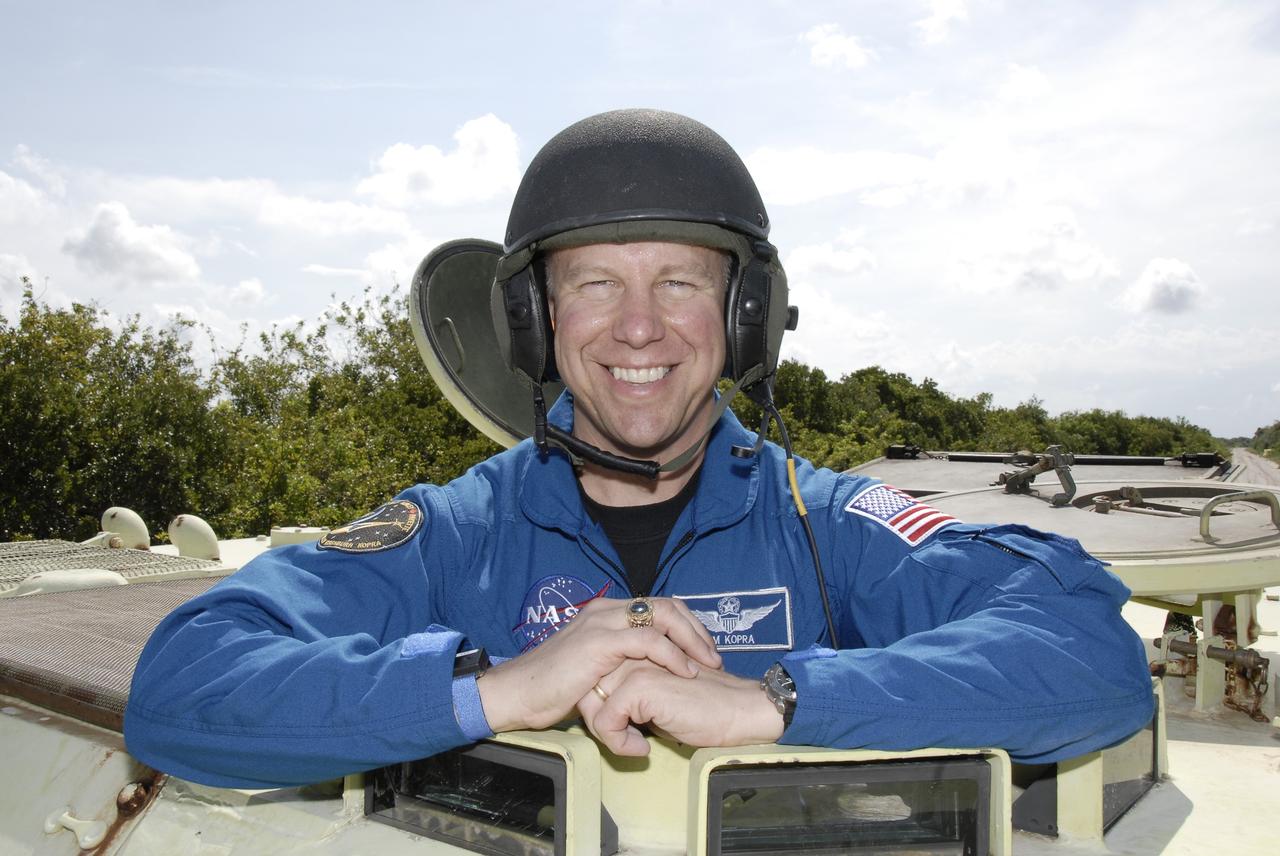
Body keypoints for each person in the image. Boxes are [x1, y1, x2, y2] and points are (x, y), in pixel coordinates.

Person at [124, 109, 1155, 789]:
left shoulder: (824, 522)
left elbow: (1087, 646)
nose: (637, 329)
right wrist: (496, 686)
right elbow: (184, 683)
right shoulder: (455, 532)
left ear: (743, 316)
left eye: (679, 282)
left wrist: (777, 700)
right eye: (594, 284)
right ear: (533, 321)